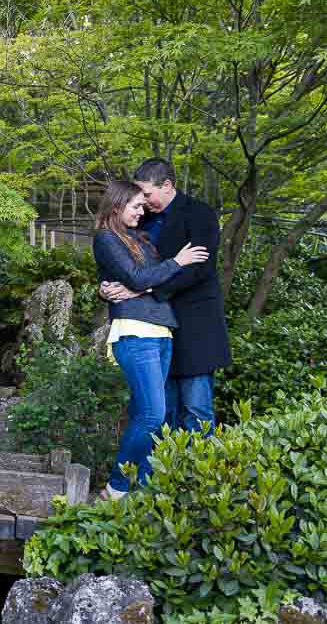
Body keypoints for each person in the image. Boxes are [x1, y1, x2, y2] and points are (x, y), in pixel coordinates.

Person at [92, 180, 208, 500]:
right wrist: (177, 262)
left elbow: (148, 281)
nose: (141, 212)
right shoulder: (106, 238)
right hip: (135, 332)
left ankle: (141, 486)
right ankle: (117, 486)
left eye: (142, 206)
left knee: (156, 414)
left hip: (161, 331)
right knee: (152, 415)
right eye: (135, 206)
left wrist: (143, 283)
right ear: (117, 206)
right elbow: (139, 277)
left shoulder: (139, 239)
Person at [101, 158, 232, 434]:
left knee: (197, 409)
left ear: (168, 185)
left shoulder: (200, 214)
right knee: (159, 411)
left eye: (147, 194)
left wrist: (145, 288)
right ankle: (161, 474)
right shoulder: (139, 218)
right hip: (152, 327)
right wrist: (106, 288)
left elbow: (199, 269)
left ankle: (198, 475)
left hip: (195, 324)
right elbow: (122, 263)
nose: (143, 201)